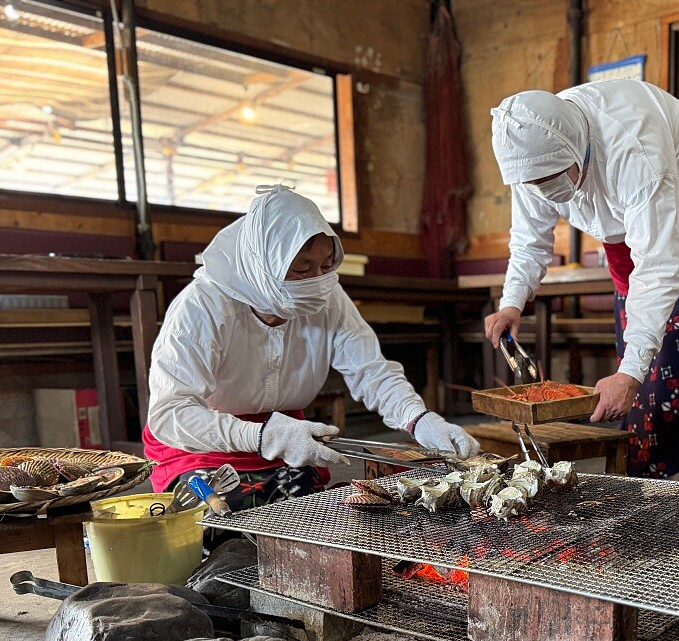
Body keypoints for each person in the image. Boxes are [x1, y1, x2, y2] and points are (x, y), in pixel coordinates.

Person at [143, 185, 479, 510]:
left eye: (325, 266)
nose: (317, 281)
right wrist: (264, 436)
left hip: (289, 442)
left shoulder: (327, 297)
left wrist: (418, 419)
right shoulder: (202, 308)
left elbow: (371, 371)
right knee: (221, 527)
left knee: (317, 516)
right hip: (205, 446)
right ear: (263, 263)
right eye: (302, 268)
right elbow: (171, 415)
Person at [485, 80, 679, 479]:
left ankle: (650, 470)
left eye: (552, 176)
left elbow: (658, 269)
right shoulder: (531, 159)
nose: (545, 190)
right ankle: (638, 452)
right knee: (633, 330)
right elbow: (529, 240)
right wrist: (511, 302)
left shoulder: (633, 148)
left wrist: (629, 374)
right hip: (625, 220)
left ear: (574, 146)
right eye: (535, 183)